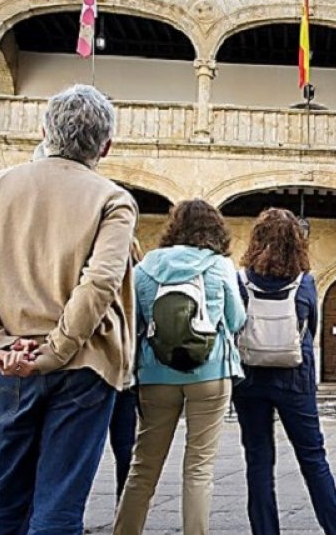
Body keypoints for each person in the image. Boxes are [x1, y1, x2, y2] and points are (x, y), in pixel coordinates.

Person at [0, 84, 137, 535]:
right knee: (58, 509)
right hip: (84, 367)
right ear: (105, 145)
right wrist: (58, 349)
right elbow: (100, 282)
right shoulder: (112, 199)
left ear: (44, 129)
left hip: (8, 366)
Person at [113, 200, 245, 535]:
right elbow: (236, 320)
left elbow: (135, 323)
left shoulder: (145, 268)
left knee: (143, 467)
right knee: (199, 468)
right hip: (210, 374)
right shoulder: (219, 266)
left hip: (156, 375)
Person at [231, 208, 336, 535]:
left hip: (250, 378)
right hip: (295, 378)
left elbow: (233, 324)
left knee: (258, 461)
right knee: (313, 459)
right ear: (297, 243)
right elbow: (311, 326)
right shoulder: (305, 282)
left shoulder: (240, 280)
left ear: (257, 239)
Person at [109, 239, 146, 501]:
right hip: (128, 376)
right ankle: (124, 511)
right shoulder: (139, 285)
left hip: (96, 373)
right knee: (125, 448)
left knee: (80, 451)